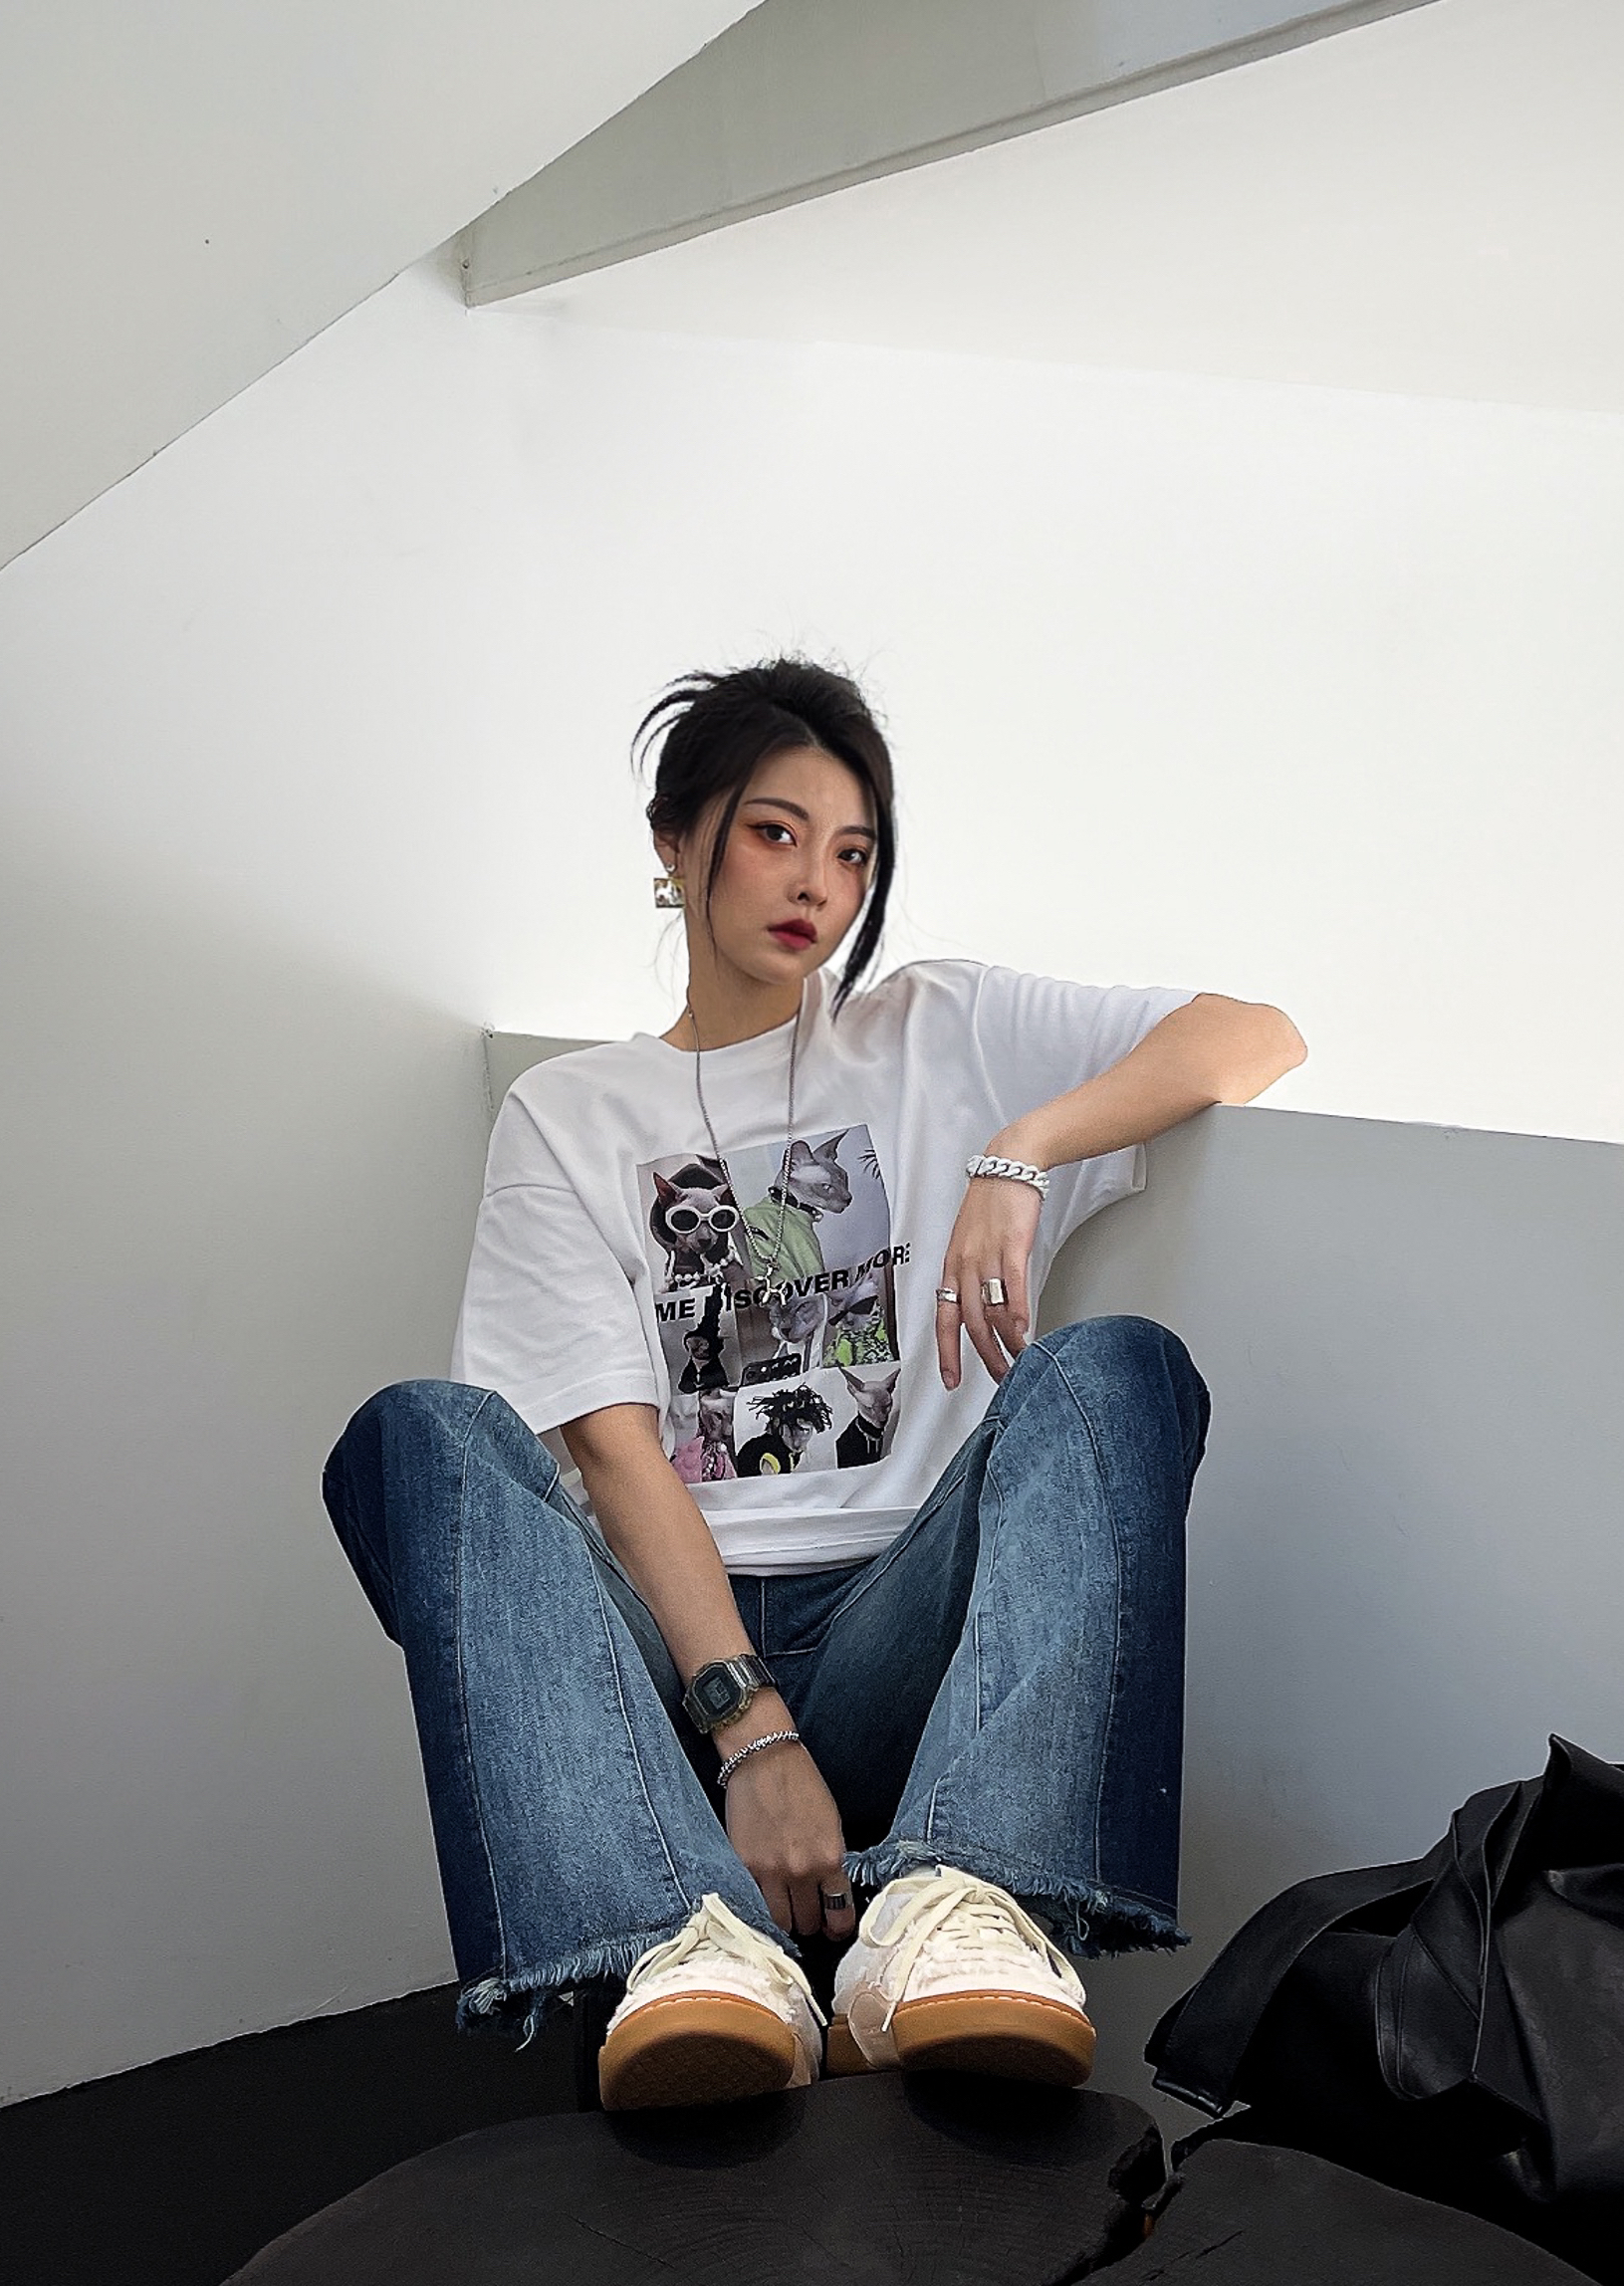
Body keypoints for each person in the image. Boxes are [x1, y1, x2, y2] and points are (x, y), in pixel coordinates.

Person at [323, 658, 1304, 2112]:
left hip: (906, 1619)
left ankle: (955, 1903)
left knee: (1116, 1372)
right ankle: (685, 1940)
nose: (817, 886)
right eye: (774, 833)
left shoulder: (940, 1033)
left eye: (852, 853)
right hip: (676, 1659)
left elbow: (1252, 1033)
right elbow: (613, 1451)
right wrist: (751, 1731)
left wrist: (1021, 1151)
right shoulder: (570, 1113)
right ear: (676, 843)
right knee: (421, 1437)